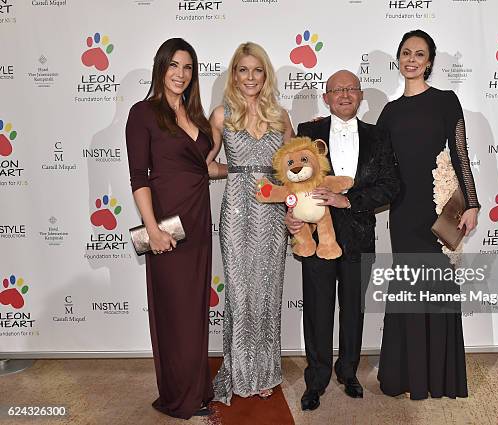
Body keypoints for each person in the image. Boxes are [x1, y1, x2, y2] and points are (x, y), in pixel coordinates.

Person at [286, 70, 400, 411]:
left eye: (351, 89)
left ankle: (348, 371)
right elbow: (292, 178)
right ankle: (316, 379)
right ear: (326, 97)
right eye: (337, 89)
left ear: (361, 95)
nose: (345, 95)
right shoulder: (308, 132)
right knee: (318, 311)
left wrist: (348, 199)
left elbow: (390, 185)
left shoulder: (379, 136)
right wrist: (290, 213)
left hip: (359, 237)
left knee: (353, 310)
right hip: (316, 238)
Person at [376, 29, 480, 399]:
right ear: (398, 59)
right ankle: (408, 376)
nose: (412, 59)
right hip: (403, 213)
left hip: (440, 209)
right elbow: (382, 169)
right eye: (406, 52)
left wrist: (472, 203)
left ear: (430, 61)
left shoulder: (446, 101)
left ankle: (439, 377)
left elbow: (460, 156)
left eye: (419, 54)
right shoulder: (389, 112)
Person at [125, 38, 215, 418]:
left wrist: (248, 171)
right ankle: (179, 395)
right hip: (166, 225)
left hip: (198, 221)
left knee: (194, 309)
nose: (181, 74)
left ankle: (197, 389)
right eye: (174, 65)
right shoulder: (143, 112)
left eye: (188, 67)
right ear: (161, 68)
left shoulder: (196, 116)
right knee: (174, 310)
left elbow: (205, 168)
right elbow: (138, 176)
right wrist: (152, 228)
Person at [208, 42, 293, 404]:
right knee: (241, 295)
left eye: (257, 70)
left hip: (273, 215)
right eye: (243, 70)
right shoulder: (221, 115)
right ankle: (240, 374)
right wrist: (239, 171)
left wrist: (293, 208)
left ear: (266, 74)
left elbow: (294, 172)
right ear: (234, 74)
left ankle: (265, 374)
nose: (250, 77)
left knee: (268, 293)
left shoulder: (281, 117)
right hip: (237, 214)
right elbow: (206, 164)